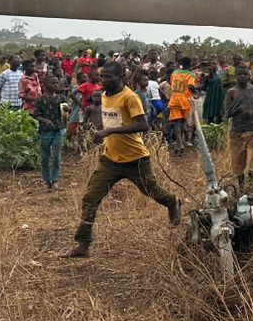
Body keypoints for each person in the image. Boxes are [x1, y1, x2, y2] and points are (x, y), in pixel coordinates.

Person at [69, 63, 180, 258]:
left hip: (135, 158)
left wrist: (109, 131)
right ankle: (83, 244)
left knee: (152, 191)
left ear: (122, 77)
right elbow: (111, 120)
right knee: (90, 198)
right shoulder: (104, 96)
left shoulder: (130, 97)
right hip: (110, 158)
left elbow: (143, 125)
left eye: (108, 77)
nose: (103, 81)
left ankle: (172, 202)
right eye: (102, 77)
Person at [224, 67, 253, 188]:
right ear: (235, 76)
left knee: (251, 163)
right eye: (240, 74)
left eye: (245, 74)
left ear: (249, 76)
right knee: (238, 165)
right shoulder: (231, 92)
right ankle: (242, 190)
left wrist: (252, 113)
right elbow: (227, 113)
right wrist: (236, 110)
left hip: (252, 131)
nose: (242, 76)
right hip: (236, 133)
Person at [33, 75, 68, 190]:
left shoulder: (61, 98)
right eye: (53, 83)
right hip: (45, 131)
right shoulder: (41, 99)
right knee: (45, 156)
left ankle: (55, 180)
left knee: (56, 156)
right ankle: (47, 180)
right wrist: (45, 120)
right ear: (45, 85)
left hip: (58, 129)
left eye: (57, 83)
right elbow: (36, 115)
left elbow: (65, 114)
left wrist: (67, 111)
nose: (56, 85)